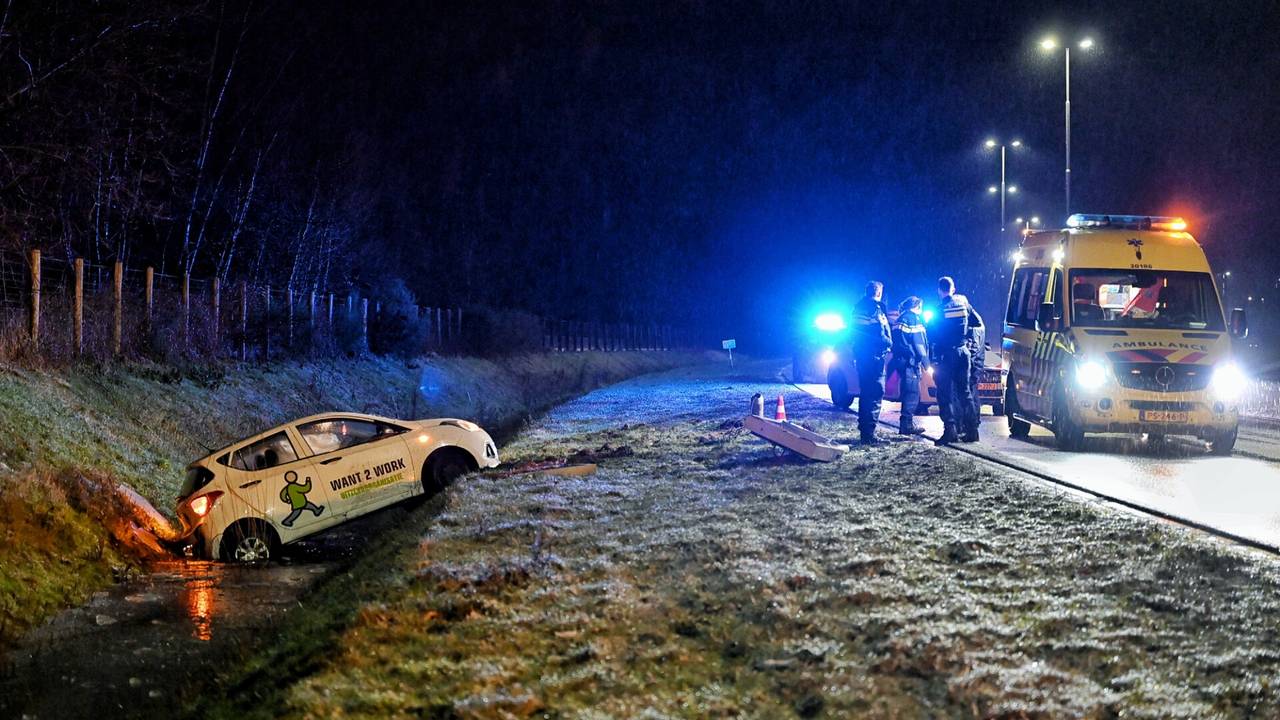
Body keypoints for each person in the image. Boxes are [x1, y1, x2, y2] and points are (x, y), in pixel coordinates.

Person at [932, 277, 979, 445]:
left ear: (939, 290)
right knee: (965, 392)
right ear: (953, 288)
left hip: (946, 355)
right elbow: (976, 322)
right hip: (963, 353)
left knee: (944, 394)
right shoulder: (963, 303)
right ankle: (972, 431)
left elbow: (933, 335)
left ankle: (950, 431)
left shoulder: (939, 310)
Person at [851, 280, 892, 445]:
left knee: (865, 392)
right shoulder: (875, 309)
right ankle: (869, 434)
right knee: (875, 393)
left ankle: (864, 431)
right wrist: (890, 343)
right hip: (874, 357)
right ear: (879, 292)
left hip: (862, 356)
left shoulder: (857, 308)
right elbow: (880, 334)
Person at [890, 296, 929, 435]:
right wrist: (926, 363)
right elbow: (919, 343)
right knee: (912, 393)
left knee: (907, 391)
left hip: (900, 360)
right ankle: (906, 425)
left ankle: (906, 424)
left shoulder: (900, 319)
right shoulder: (914, 319)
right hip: (910, 362)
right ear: (917, 307)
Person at [954, 294, 986, 423]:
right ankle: (972, 420)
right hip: (975, 362)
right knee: (971, 391)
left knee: (968, 392)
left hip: (972, 363)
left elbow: (972, 348)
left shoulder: (973, 327)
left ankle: (970, 421)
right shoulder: (976, 322)